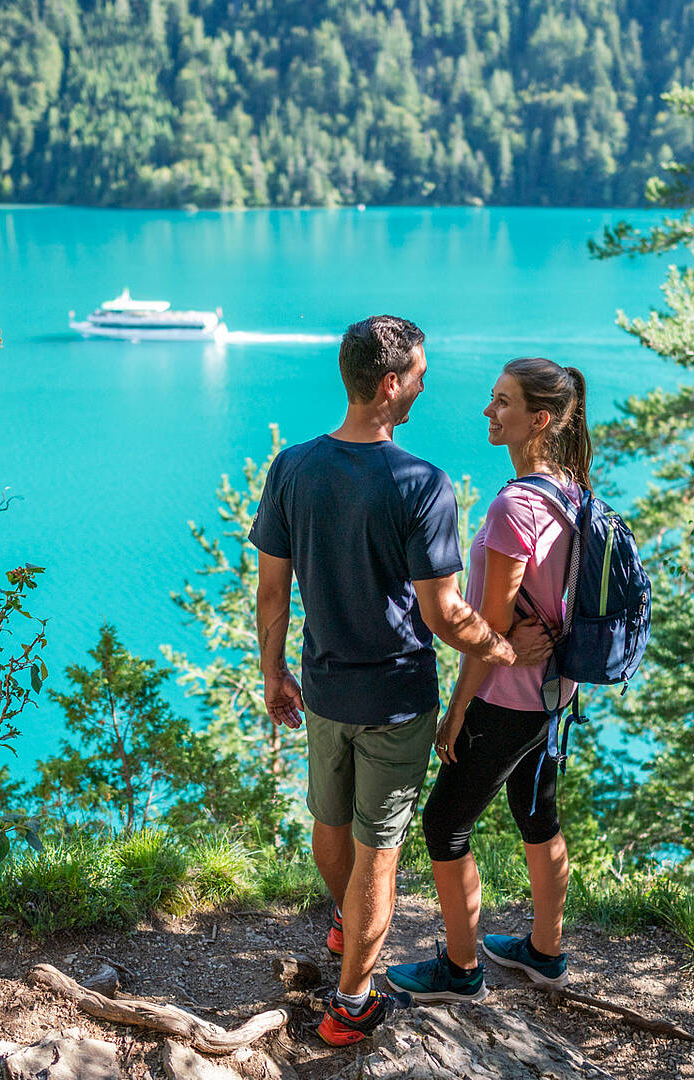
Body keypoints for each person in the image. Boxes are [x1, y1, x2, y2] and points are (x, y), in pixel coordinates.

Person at [251, 317, 551, 1047]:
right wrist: (505, 651)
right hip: (394, 702)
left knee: (330, 829)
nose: (424, 385)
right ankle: (351, 1005)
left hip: (323, 692)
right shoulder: (422, 483)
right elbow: (444, 614)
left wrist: (274, 672)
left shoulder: (292, 467)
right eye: (418, 374)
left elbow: (271, 591)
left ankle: (344, 923)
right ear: (390, 384)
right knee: (377, 856)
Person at [384, 357, 590, 1004]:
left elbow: (488, 631)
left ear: (541, 419)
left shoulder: (514, 507)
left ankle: (461, 969)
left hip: (505, 700)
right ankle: (546, 953)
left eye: (503, 402)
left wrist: (456, 710)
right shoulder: (572, 491)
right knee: (538, 816)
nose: (488, 411)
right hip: (554, 693)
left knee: (444, 824)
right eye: (492, 398)